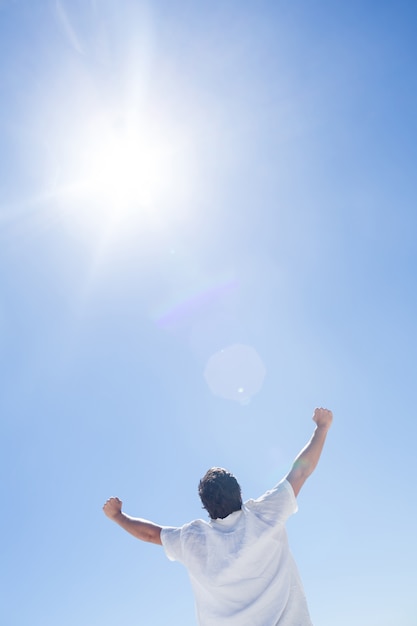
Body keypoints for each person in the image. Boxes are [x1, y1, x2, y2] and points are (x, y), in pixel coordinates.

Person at [103, 407, 333, 626]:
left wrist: (118, 516)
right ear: (239, 493)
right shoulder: (264, 513)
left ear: (205, 505)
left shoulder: (194, 539)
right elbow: (301, 471)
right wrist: (321, 428)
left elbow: (149, 534)